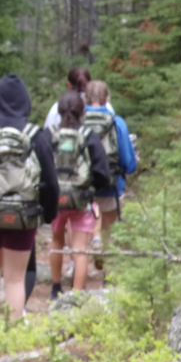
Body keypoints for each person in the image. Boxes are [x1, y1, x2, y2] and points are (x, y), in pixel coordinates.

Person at [0, 74, 59, 319]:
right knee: (16, 278)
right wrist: (47, 215)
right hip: (24, 216)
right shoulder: (36, 136)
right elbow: (50, 182)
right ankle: (12, 333)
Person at [48, 90, 112, 299]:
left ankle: (55, 289)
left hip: (56, 199)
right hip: (82, 199)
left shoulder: (49, 134)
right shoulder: (89, 137)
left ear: (58, 111)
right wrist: (93, 188)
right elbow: (102, 172)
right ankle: (77, 296)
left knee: (57, 241)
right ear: (82, 111)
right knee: (80, 248)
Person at [84, 80, 138, 254]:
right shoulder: (117, 123)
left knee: (80, 229)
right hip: (110, 183)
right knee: (109, 229)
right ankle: (107, 270)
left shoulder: (76, 120)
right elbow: (128, 163)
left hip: (81, 184)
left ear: (85, 98)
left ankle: (80, 263)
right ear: (107, 98)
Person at [44, 67, 114, 130]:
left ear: (68, 84)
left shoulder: (58, 106)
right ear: (90, 84)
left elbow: (47, 133)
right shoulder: (105, 105)